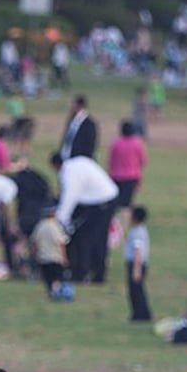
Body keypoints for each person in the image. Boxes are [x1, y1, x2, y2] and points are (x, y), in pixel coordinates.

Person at [51, 152, 119, 284]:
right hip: (109, 196)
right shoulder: (77, 162)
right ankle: (98, 274)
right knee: (100, 238)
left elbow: (69, 200)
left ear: (56, 165)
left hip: (101, 201)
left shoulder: (69, 175)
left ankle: (81, 272)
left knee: (85, 238)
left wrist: (59, 223)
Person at [108, 120, 148, 228]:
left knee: (116, 203)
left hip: (116, 176)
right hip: (131, 177)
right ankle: (125, 225)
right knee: (127, 204)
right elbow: (143, 161)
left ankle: (115, 225)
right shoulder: (137, 143)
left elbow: (111, 161)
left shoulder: (115, 143)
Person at [30, 203, 69, 299]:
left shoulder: (40, 226)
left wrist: (34, 253)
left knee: (48, 278)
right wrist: (64, 257)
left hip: (43, 257)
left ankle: (51, 293)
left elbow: (34, 241)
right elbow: (61, 242)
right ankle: (57, 293)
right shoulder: (55, 226)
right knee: (57, 277)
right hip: (55, 257)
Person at [125, 205, 152, 322]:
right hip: (138, 264)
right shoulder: (141, 230)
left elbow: (138, 251)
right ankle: (142, 313)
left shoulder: (137, 233)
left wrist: (136, 269)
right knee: (138, 290)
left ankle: (139, 314)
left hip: (136, 264)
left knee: (135, 291)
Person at [60, 94, 98, 160]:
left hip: (79, 160)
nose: (70, 106)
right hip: (66, 158)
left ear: (79, 106)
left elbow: (90, 146)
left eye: (73, 104)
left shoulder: (89, 124)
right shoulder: (71, 121)